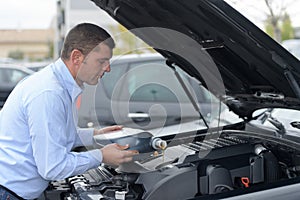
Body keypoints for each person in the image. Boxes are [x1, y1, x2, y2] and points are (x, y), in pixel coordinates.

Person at [0, 23, 138, 200]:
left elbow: (57, 136)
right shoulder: (49, 93)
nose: (108, 68)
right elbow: (52, 167)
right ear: (76, 57)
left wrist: (95, 135)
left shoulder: (58, 85)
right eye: (102, 61)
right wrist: (101, 156)